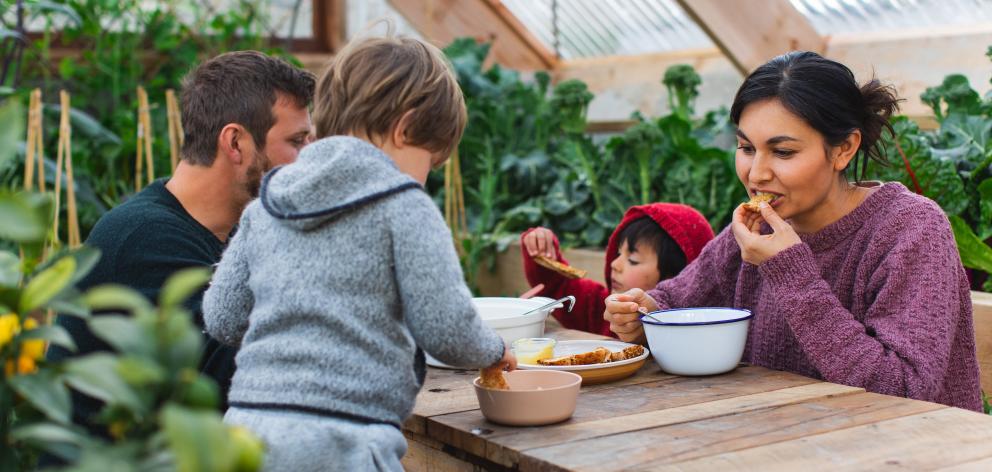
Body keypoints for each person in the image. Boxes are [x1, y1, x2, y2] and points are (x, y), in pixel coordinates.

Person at [202, 35, 516, 471]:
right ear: (405, 127)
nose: (424, 179)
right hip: (342, 441)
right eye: (429, 160)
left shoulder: (268, 205)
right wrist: (492, 349)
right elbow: (446, 329)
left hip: (246, 433)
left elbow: (222, 317)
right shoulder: (403, 205)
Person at [604, 51, 982, 411]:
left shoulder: (911, 229)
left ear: (844, 149)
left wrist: (791, 272)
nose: (756, 174)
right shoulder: (756, 227)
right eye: (746, 147)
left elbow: (903, 389)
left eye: (782, 152)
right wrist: (643, 316)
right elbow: (674, 301)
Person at [49, 51, 316, 428]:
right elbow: (246, 380)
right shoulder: (144, 239)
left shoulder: (234, 232)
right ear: (236, 143)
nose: (311, 159)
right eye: (298, 141)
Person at [520, 203, 714, 337]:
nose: (615, 264)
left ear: (681, 278)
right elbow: (557, 285)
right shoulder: (600, 309)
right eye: (617, 254)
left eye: (633, 259)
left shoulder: (691, 338)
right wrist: (543, 251)